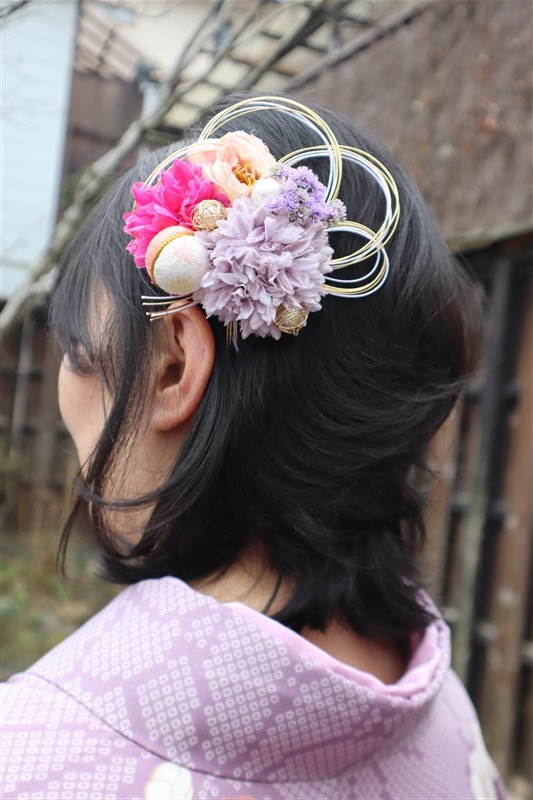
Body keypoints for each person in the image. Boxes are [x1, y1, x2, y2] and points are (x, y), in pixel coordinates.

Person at [1, 95, 507, 800]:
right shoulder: (442, 707)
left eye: (80, 352)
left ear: (173, 365)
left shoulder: (33, 755)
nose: (67, 387)